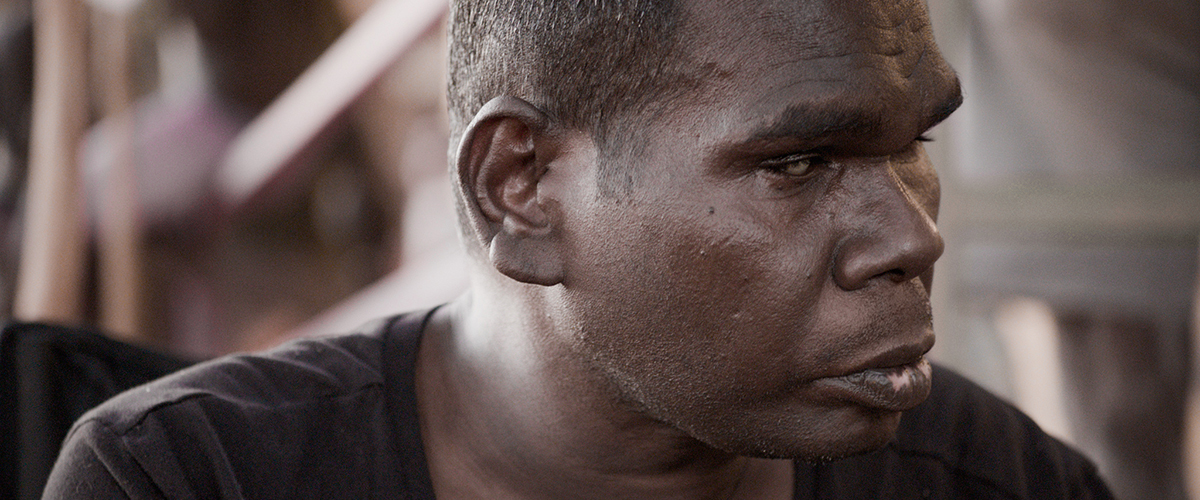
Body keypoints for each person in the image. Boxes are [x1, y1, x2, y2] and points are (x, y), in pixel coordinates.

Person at [43, 0, 1115, 498]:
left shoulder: (1002, 482)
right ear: (523, 186)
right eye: (799, 163)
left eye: (914, 144)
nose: (913, 235)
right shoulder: (187, 481)